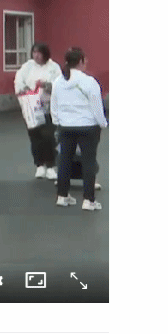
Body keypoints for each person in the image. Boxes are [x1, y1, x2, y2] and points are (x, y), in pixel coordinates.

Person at [51, 47, 108, 211]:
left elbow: (54, 105)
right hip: (87, 127)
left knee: (64, 160)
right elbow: (97, 107)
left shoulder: (58, 82)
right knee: (88, 161)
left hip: (65, 127)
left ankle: (62, 196)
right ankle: (88, 200)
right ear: (81, 61)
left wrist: (58, 121)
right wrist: (103, 123)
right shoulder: (89, 82)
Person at [14, 43, 63, 180]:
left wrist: (46, 85)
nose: (36, 55)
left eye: (39, 52)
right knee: (35, 137)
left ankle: (51, 165)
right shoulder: (27, 67)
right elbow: (19, 82)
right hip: (32, 109)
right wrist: (24, 91)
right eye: (34, 52)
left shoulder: (54, 67)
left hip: (47, 108)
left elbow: (59, 85)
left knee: (48, 137)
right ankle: (39, 165)